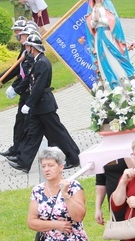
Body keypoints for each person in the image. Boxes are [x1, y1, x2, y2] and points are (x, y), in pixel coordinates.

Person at [8, 34, 81, 173]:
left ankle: (74, 157)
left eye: (28, 46)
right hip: (39, 106)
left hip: (44, 105)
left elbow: (38, 86)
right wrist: (17, 89)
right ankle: (24, 162)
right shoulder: (37, 61)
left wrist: (28, 104)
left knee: (58, 133)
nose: (26, 49)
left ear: (33, 48)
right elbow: (29, 80)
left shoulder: (42, 62)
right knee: (32, 134)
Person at [0, 24, 36, 159]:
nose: (19, 36)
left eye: (22, 34)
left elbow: (26, 74)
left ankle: (22, 154)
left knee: (33, 126)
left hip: (31, 94)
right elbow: (17, 68)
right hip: (24, 92)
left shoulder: (32, 55)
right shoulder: (24, 50)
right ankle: (17, 149)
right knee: (21, 123)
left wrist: (15, 87)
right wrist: (0, 78)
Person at [85, 0, 135, 89]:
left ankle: (122, 79)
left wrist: (100, 19)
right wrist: (94, 21)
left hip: (109, 35)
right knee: (103, 58)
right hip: (99, 37)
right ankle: (110, 83)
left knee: (113, 56)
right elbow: (90, 25)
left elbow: (114, 21)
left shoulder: (107, 5)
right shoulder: (92, 8)